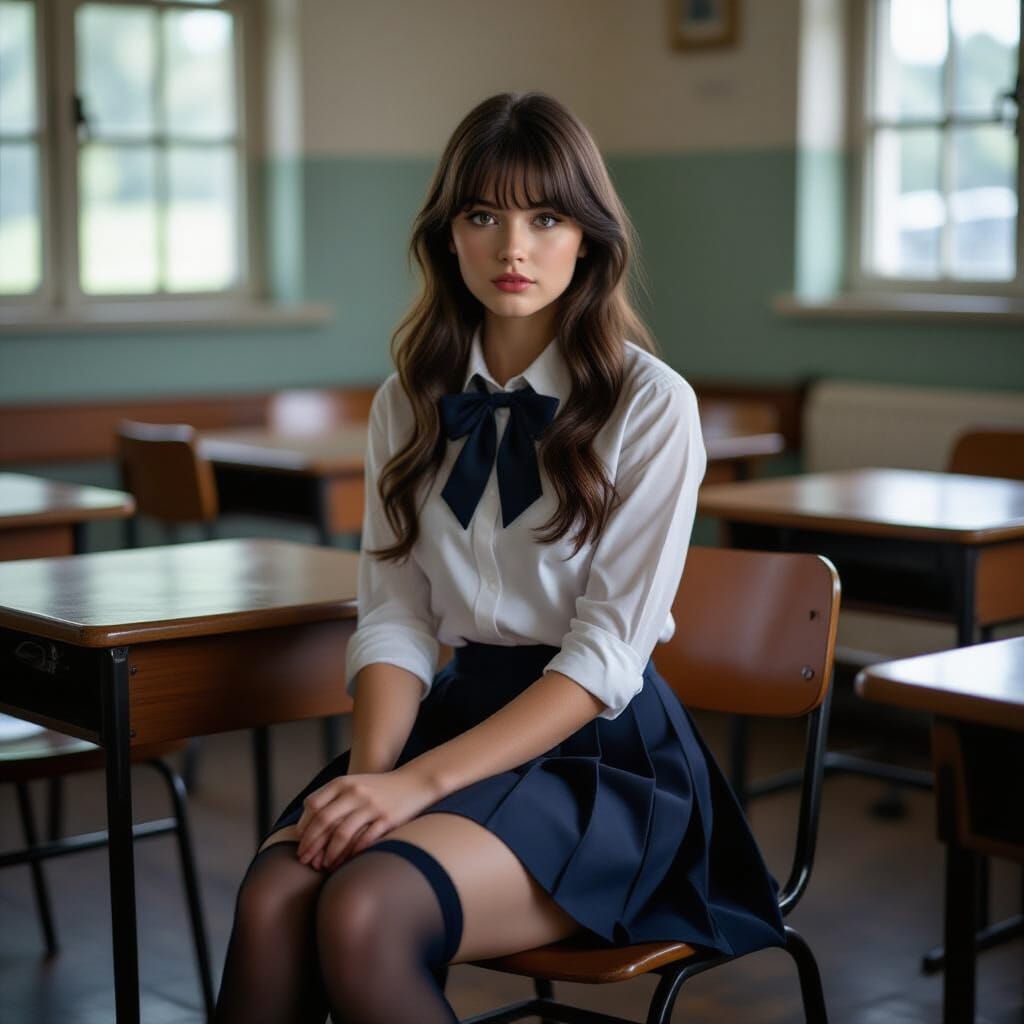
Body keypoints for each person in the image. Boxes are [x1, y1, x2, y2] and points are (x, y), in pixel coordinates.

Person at [213, 90, 785, 1024]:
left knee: (366, 909)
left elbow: (605, 658)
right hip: (451, 719)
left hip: (599, 756)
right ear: (448, 236)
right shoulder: (408, 400)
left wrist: (415, 787)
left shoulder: (652, 404)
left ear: (588, 238)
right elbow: (395, 616)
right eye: (483, 216)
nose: (512, 248)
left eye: (545, 217)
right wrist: (375, 781)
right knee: (277, 895)